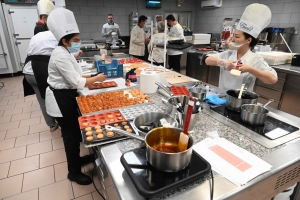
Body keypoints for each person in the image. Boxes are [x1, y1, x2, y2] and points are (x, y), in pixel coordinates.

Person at [46, 8, 107, 185]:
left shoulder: (65, 51)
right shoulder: (59, 55)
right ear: (64, 40)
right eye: (75, 41)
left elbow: (77, 74)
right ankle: (73, 172)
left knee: (73, 131)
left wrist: (94, 76)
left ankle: (77, 160)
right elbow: (75, 81)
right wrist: (96, 78)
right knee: (70, 135)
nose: (78, 43)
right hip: (60, 98)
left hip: (66, 94)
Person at [204, 4, 277, 92]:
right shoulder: (229, 54)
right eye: (233, 36)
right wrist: (223, 62)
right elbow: (206, 59)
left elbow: (272, 79)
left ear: (248, 40)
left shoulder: (255, 59)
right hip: (222, 96)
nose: (233, 39)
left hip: (241, 101)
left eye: (237, 37)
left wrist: (250, 69)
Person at [22, 31, 58, 132]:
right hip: (41, 72)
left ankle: (51, 125)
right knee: (53, 98)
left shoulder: (38, 35)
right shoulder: (56, 36)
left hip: (28, 71)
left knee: (42, 100)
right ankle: (61, 122)